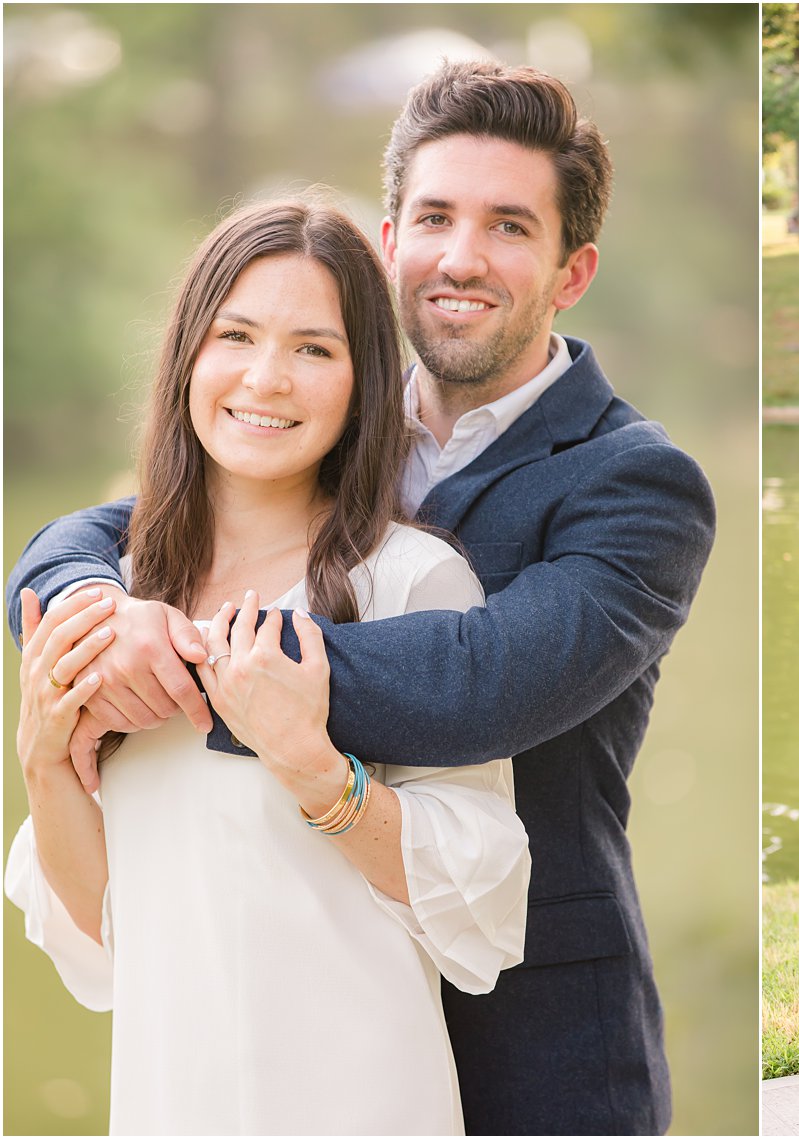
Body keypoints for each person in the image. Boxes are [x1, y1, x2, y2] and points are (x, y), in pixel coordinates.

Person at [6, 61, 715, 1135]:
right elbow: (113, 531)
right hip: (238, 1025)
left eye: (509, 226)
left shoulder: (636, 484)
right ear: (390, 240)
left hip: (536, 1035)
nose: (460, 256)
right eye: (433, 215)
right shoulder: (309, 434)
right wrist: (81, 604)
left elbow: (484, 677)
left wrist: (182, 660)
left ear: (573, 270)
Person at [5, 200, 531, 1134]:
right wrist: (44, 761)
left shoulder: (409, 581)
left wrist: (315, 771)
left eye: (315, 349)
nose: (266, 378)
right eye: (235, 334)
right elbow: (102, 938)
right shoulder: (116, 600)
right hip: (174, 1092)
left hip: (363, 1095)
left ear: (364, 381)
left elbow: (483, 895)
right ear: (186, 358)